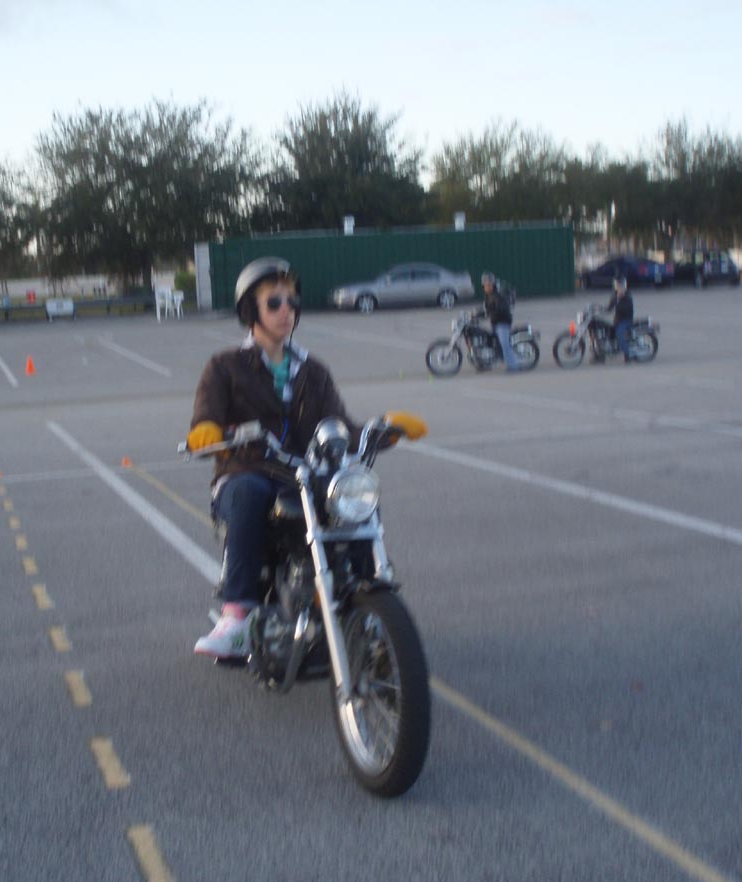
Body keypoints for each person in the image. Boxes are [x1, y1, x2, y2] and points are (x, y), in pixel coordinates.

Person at [185, 257, 427, 659]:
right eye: (274, 302)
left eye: (292, 302)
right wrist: (206, 432)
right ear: (250, 311)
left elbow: (340, 427)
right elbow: (205, 418)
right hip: (247, 469)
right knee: (248, 493)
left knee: (353, 498)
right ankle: (237, 617)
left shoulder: (313, 371)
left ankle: (368, 599)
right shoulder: (225, 366)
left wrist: (385, 428)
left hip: (301, 474)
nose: (287, 310)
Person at [480, 272, 519, 372]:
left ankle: (513, 366)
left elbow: (500, 308)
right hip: (495, 322)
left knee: (504, 344)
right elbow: (487, 308)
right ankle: (484, 363)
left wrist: (490, 313)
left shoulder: (498, 295)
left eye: (488, 284)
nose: (486, 286)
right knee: (489, 341)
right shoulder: (488, 295)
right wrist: (475, 313)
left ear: (492, 284)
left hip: (502, 323)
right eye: (485, 284)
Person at [608, 274, 635, 363]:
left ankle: (628, 354)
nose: (618, 287)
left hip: (626, 320)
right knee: (607, 331)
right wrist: (596, 308)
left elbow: (626, 308)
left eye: (620, 285)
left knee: (619, 334)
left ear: (624, 285)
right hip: (617, 320)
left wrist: (618, 301)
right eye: (617, 284)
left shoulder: (628, 295)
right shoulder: (615, 295)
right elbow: (609, 308)